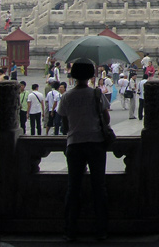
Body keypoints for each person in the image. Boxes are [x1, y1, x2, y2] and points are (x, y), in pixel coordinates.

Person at [57, 62, 111, 241]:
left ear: (72, 76)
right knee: (99, 187)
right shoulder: (96, 94)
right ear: (90, 75)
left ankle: (70, 229)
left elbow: (64, 124)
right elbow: (106, 117)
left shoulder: (66, 96)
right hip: (96, 143)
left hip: (74, 143)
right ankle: (101, 229)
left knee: (73, 187)